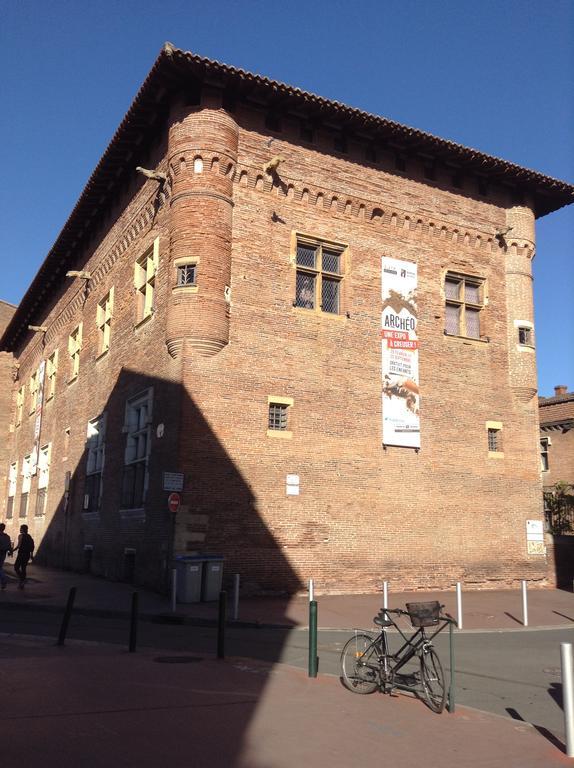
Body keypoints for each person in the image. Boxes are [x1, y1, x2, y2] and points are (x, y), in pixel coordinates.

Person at [12, 524, 34, 589]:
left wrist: (12, 551)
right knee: (23, 568)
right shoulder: (29, 536)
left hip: (21, 554)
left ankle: (22, 579)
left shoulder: (20, 536)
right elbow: (32, 546)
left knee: (16, 567)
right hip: (27, 555)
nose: (20, 529)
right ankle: (22, 582)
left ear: (23, 529)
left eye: (20, 528)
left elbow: (18, 546)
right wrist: (31, 555)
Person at [0, 523, 12, 590]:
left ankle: (4, 580)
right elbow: (9, 545)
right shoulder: (7, 536)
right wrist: (10, 552)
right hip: (3, 553)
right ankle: (3, 581)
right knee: (0, 567)